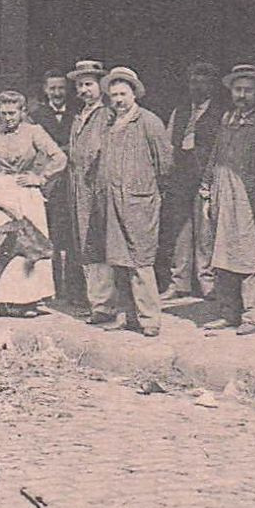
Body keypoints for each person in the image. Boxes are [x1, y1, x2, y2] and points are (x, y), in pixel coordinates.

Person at [0, 89, 67, 314]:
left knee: (26, 242)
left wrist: (40, 177)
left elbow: (60, 157)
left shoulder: (34, 132)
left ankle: (28, 300)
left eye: (13, 113)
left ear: (22, 112)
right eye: (4, 113)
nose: (8, 117)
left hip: (25, 192)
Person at [199, 64, 255, 335]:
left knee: (251, 257)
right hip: (223, 194)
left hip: (250, 197)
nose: (242, 95)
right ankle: (228, 313)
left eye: (248, 90)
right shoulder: (226, 119)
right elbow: (215, 155)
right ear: (231, 92)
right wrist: (207, 190)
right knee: (222, 255)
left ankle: (253, 315)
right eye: (238, 90)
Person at [98, 66, 172, 337]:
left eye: (123, 94)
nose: (118, 99)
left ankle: (150, 318)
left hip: (140, 202)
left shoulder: (148, 122)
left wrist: (149, 192)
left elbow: (165, 162)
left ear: (134, 94)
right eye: (113, 94)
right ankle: (126, 315)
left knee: (141, 261)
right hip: (113, 201)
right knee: (119, 260)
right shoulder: (109, 123)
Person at [160, 61, 223, 300]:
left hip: (206, 177)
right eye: (193, 82)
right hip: (180, 177)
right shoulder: (181, 111)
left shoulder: (220, 113)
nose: (197, 87)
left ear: (212, 85)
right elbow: (168, 143)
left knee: (205, 231)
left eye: (203, 82)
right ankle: (180, 282)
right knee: (180, 231)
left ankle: (206, 281)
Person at [66, 59, 116, 324]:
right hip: (79, 190)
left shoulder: (106, 116)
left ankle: (105, 305)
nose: (84, 90)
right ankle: (94, 300)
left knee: (98, 244)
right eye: (80, 85)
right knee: (84, 244)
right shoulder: (79, 117)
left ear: (100, 87)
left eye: (89, 84)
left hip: (98, 190)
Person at [32, 70, 80, 303]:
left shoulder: (78, 114)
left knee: (72, 236)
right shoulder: (35, 116)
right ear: (45, 90)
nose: (57, 93)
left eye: (61, 88)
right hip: (48, 183)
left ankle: (73, 289)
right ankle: (50, 289)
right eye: (53, 89)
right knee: (48, 234)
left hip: (73, 182)